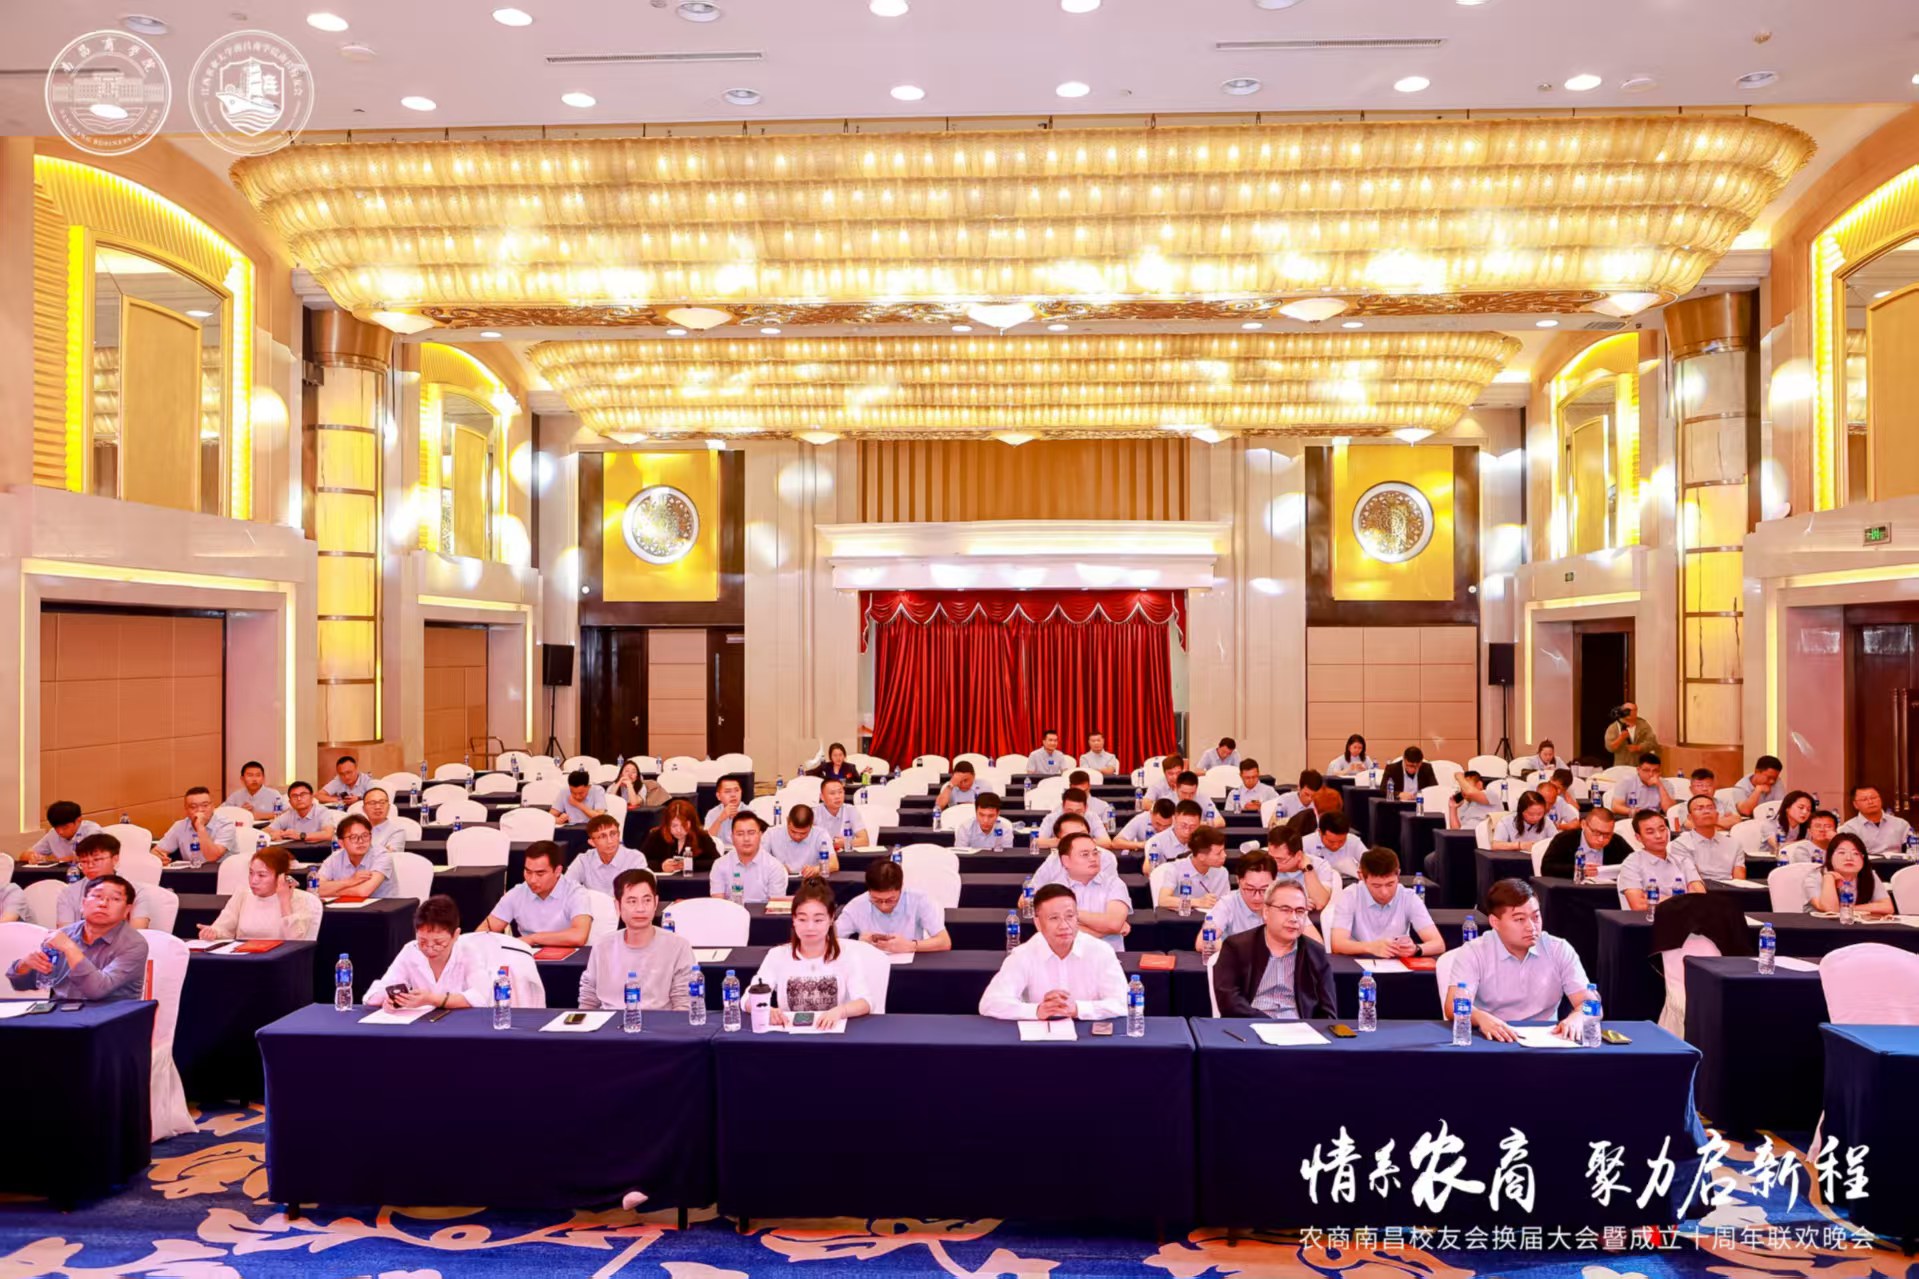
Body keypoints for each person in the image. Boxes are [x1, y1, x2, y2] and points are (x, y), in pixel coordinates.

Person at [1448, 878, 1593, 1041]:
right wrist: (1480, 1017)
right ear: (1495, 922)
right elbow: (1453, 1004)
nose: (1531, 927)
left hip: (1546, 1040)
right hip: (1493, 1038)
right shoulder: (1474, 951)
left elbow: (1589, 1002)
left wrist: (1578, 1017)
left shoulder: (1559, 949)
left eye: (1536, 917)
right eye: (1519, 919)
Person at [979, 883, 1128, 1020]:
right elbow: (990, 1003)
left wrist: (1078, 1009)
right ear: (1038, 923)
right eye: (1054, 918)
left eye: (1070, 916)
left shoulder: (1100, 951)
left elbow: (1123, 1002)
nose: (1064, 925)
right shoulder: (1024, 954)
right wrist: (1037, 1010)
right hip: (1040, 1036)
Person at [751, 878, 873, 1029]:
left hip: (831, 1035)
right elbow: (748, 999)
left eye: (818, 920)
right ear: (793, 920)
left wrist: (841, 1011)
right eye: (802, 919)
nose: (810, 927)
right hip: (790, 1036)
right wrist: (766, 1009)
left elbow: (866, 1002)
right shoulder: (777, 955)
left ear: (831, 919)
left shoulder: (847, 954)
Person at [8, 874, 148, 1002]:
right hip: (61, 1013)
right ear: (83, 904)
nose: (103, 904)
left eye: (115, 899)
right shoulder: (64, 934)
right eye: (97, 896)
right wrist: (24, 966)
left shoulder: (134, 944)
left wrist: (70, 948)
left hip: (112, 1015)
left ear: (127, 910)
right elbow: (26, 984)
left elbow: (97, 990)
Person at [1211, 879, 1337, 1020]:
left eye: (1300, 911)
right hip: (1251, 1025)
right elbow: (1229, 1003)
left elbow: (1328, 1012)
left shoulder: (1315, 953)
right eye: (1285, 910)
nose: (1294, 918)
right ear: (1266, 912)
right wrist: (1271, 1025)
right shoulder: (1236, 947)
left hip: (1299, 1028)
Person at [578, 868, 696, 1011]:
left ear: (656, 903)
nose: (640, 908)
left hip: (660, 1022)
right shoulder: (602, 946)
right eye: (632, 901)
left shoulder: (678, 946)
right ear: (618, 906)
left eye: (647, 900)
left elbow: (683, 1004)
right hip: (610, 1021)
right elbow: (588, 999)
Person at [365, 895, 490, 1010]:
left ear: (456, 935)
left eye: (439, 943)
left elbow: (481, 997)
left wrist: (432, 999)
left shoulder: (468, 952)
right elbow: (373, 994)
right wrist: (388, 999)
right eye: (422, 941)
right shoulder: (411, 951)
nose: (429, 949)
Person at [1326, 848, 1445, 959]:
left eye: (1390, 884)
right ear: (1361, 876)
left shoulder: (1408, 897)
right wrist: (1371, 947)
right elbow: (1338, 944)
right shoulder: (1350, 895)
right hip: (1359, 961)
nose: (1385, 892)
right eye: (1376, 886)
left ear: (1398, 874)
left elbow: (1438, 944)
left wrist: (1416, 949)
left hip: (1396, 963)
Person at [480, 841, 592, 947]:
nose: (532, 880)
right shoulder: (517, 893)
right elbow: (484, 931)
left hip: (566, 956)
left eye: (540, 873)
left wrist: (533, 938)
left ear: (557, 871)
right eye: (528, 872)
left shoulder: (575, 893)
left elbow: (579, 936)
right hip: (527, 956)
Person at [197, 846, 323, 940]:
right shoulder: (243, 894)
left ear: (280, 877)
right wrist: (213, 932)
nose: (254, 880)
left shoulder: (299, 899)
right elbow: (223, 928)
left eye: (262, 875)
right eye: (251, 873)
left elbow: (296, 942)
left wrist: (284, 902)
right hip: (244, 960)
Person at [835, 859, 951, 953]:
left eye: (891, 900)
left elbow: (944, 942)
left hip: (910, 967)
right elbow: (829, 940)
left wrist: (911, 946)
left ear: (901, 888)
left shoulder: (919, 900)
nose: (884, 906)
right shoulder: (856, 905)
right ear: (869, 890)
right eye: (876, 900)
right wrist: (857, 943)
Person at [56, 833, 159, 929]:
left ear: (115, 859)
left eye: (97, 860)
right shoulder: (69, 893)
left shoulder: (137, 891)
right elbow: (65, 933)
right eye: (84, 862)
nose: (90, 866)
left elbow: (138, 931)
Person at [1056, 831, 1132, 951]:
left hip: (1109, 957)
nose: (1093, 858)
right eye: (1085, 854)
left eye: (1095, 853)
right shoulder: (1054, 890)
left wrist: (1073, 914)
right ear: (1066, 861)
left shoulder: (1114, 884)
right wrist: (1107, 929)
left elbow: (1113, 923)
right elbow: (1059, 933)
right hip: (1067, 957)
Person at [1616, 811, 1705, 910]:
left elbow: (1700, 897)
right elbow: (1638, 905)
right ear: (1638, 837)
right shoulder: (1631, 864)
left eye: (1662, 830)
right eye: (1650, 832)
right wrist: (1682, 898)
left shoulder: (1683, 860)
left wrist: (1654, 899)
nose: (1658, 836)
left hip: (1686, 917)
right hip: (1650, 918)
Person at [709, 811, 791, 902]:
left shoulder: (774, 867)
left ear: (760, 835)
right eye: (740, 834)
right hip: (731, 911)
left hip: (764, 912)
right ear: (732, 837)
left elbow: (776, 906)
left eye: (751, 833)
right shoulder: (720, 865)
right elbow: (718, 904)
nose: (746, 839)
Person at [1810, 833, 1893, 918]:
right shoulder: (1815, 877)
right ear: (1830, 856)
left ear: (1863, 858)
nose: (1849, 858)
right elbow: (1830, 909)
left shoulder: (1868, 875)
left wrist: (1847, 909)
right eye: (1842, 853)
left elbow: (1887, 907)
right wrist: (1829, 877)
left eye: (1855, 853)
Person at [1201, 850, 1277, 942]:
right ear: (1238, 880)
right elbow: (1203, 942)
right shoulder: (1227, 904)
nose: (1257, 897)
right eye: (1250, 889)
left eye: (1264, 890)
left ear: (1274, 882)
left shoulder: (1282, 903)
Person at [313, 814, 396, 898]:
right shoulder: (335, 858)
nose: (360, 841)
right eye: (353, 837)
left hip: (382, 905)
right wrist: (349, 881)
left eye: (365, 835)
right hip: (344, 905)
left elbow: (363, 892)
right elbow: (315, 888)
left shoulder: (382, 856)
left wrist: (332, 892)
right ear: (341, 843)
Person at [566, 813, 650, 894]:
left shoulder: (635, 858)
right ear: (592, 842)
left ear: (618, 835)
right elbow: (567, 887)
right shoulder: (583, 860)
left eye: (613, 834)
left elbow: (641, 890)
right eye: (602, 836)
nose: (610, 841)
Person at [1540, 806, 1632, 878]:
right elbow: (1547, 868)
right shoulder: (1564, 839)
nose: (1601, 839)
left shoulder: (1617, 842)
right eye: (1596, 833)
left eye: (1607, 834)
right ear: (1583, 825)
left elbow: (1635, 864)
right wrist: (1578, 870)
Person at [1267, 824, 1339, 913]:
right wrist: (1294, 901)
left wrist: (1308, 869)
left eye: (1280, 860)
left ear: (1298, 855)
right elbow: (1257, 897)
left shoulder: (1320, 866)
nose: (1273, 863)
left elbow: (1320, 903)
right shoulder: (1264, 863)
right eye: (1271, 857)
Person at [155, 786, 236, 865]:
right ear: (186, 810)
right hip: (191, 872)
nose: (200, 810)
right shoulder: (180, 826)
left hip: (220, 871)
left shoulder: (226, 825)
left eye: (205, 805)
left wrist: (200, 827)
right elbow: (156, 852)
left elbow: (212, 857)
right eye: (193, 807)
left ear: (213, 806)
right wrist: (160, 858)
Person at [1674, 794, 1746, 880]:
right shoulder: (1681, 844)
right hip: (1699, 887)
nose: (1706, 811)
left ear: (1717, 815)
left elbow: (1739, 880)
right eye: (1700, 808)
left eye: (1710, 808)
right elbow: (1692, 879)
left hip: (1730, 887)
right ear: (1690, 817)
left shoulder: (1734, 844)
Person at [1157, 826, 1230, 910]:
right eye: (1218, 853)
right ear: (1201, 856)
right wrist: (1197, 902)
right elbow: (1163, 900)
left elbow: (1226, 904)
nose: (1224, 855)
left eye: (1224, 850)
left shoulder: (1222, 872)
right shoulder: (1174, 869)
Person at [646, 798, 720, 874]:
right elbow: (642, 861)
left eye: (684, 825)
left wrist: (691, 865)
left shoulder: (702, 837)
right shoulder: (656, 836)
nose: (679, 830)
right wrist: (661, 866)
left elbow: (717, 862)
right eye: (674, 826)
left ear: (692, 823)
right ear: (667, 824)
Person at [763, 803, 839, 877]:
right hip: (779, 881)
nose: (797, 837)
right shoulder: (771, 833)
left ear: (812, 825)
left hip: (810, 882)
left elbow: (834, 864)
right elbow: (759, 861)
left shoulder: (820, 834)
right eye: (793, 831)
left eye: (803, 833)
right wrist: (776, 868)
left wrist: (816, 869)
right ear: (787, 821)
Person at [22, 800, 102, 865]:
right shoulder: (53, 834)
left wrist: (58, 860)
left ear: (79, 820)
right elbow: (24, 855)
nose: (60, 832)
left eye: (65, 827)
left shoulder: (92, 830)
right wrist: (32, 856)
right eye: (56, 828)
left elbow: (94, 855)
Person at [1840, 784, 1913, 855]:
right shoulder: (1849, 828)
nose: (1870, 802)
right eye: (1864, 799)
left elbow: (1912, 849)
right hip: (1867, 863)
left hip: (1898, 862)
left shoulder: (1901, 824)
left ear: (1880, 799)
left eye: (1873, 798)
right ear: (1855, 804)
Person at [1034, 787, 1110, 848]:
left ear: (1086, 807)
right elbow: (1037, 842)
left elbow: (1106, 842)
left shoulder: (1092, 817)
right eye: (1069, 810)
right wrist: (1062, 842)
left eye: (1078, 811)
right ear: (1062, 806)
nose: (1073, 815)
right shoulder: (1051, 818)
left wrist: (1079, 842)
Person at [1665, 769, 1736, 833]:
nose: (1705, 789)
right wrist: (1722, 823)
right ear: (1691, 789)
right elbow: (1690, 825)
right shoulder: (1685, 807)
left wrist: (1704, 823)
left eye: (1709, 785)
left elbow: (1736, 820)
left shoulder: (1724, 803)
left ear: (1714, 787)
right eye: (1699, 786)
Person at [1302, 810, 1366, 879]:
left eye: (1341, 841)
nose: (1336, 846)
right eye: (1331, 842)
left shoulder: (1353, 841)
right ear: (1320, 832)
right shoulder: (1305, 843)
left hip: (1349, 880)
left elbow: (1369, 862)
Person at [266, 781, 333, 846]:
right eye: (294, 796)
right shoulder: (289, 814)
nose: (299, 798)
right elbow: (265, 831)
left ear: (312, 797)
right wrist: (273, 834)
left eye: (303, 794)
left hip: (319, 851)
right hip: (294, 851)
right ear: (290, 802)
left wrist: (301, 835)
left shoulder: (322, 812)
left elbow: (328, 834)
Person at [1143, 800, 1203, 867]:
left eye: (1192, 827)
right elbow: (1148, 869)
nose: (1187, 831)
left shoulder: (1205, 841)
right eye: (1184, 825)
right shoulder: (1156, 842)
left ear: (1199, 824)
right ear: (1174, 819)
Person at [1609, 753, 1669, 818]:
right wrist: (1634, 812)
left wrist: (1660, 786)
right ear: (1638, 770)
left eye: (1655, 771)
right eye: (1646, 770)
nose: (1651, 774)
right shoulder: (1626, 782)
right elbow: (1615, 807)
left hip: (1655, 818)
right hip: (1632, 817)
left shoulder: (1665, 784)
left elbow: (1669, 810)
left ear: (1660, 772)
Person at [815, 778, 869, 851]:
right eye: (832, 793)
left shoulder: (851, 810)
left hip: (846, 855)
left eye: (840, 792)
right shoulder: (814, 813)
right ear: (822, 797)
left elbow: (865, 841)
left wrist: (845, 843)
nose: (837, 796)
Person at [1490, 791, 1555, 851]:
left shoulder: (1546, 821)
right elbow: (1495, 845)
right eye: (1531, 814)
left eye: (1540, 814)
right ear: (1521, 811)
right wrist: (1520, 845)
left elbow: (1557, 842)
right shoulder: (1506, 822)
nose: (1535, 818)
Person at [1729, 756, 1784, 820]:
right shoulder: (1740, 787)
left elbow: (1782, 805)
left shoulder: (1777, 782)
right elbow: (1745, 811)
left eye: (1775, 778)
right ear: (1757, 772)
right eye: (1769, 777)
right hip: (1751, 822)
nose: (1772, 781)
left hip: (1772, 820)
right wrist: (1758, 791)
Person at [1604, 702, 1658, 767]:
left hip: (1640, 765)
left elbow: (1652, 743)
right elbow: (1610, 748)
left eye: (1633, 710)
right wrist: (1621, 738)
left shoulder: (1643, 726)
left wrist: (1639, 747)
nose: (1630, 713)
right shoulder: (1614, 727)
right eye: (1627, 710)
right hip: (1621, 766)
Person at [362, 788, 409, 858]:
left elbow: (389, 858)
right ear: (364, 809)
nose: (378, 807)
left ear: (389, 807)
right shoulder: (355, 829)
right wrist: (383, 850)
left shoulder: (397, 831)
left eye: (382, 802)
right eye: (372, 803)